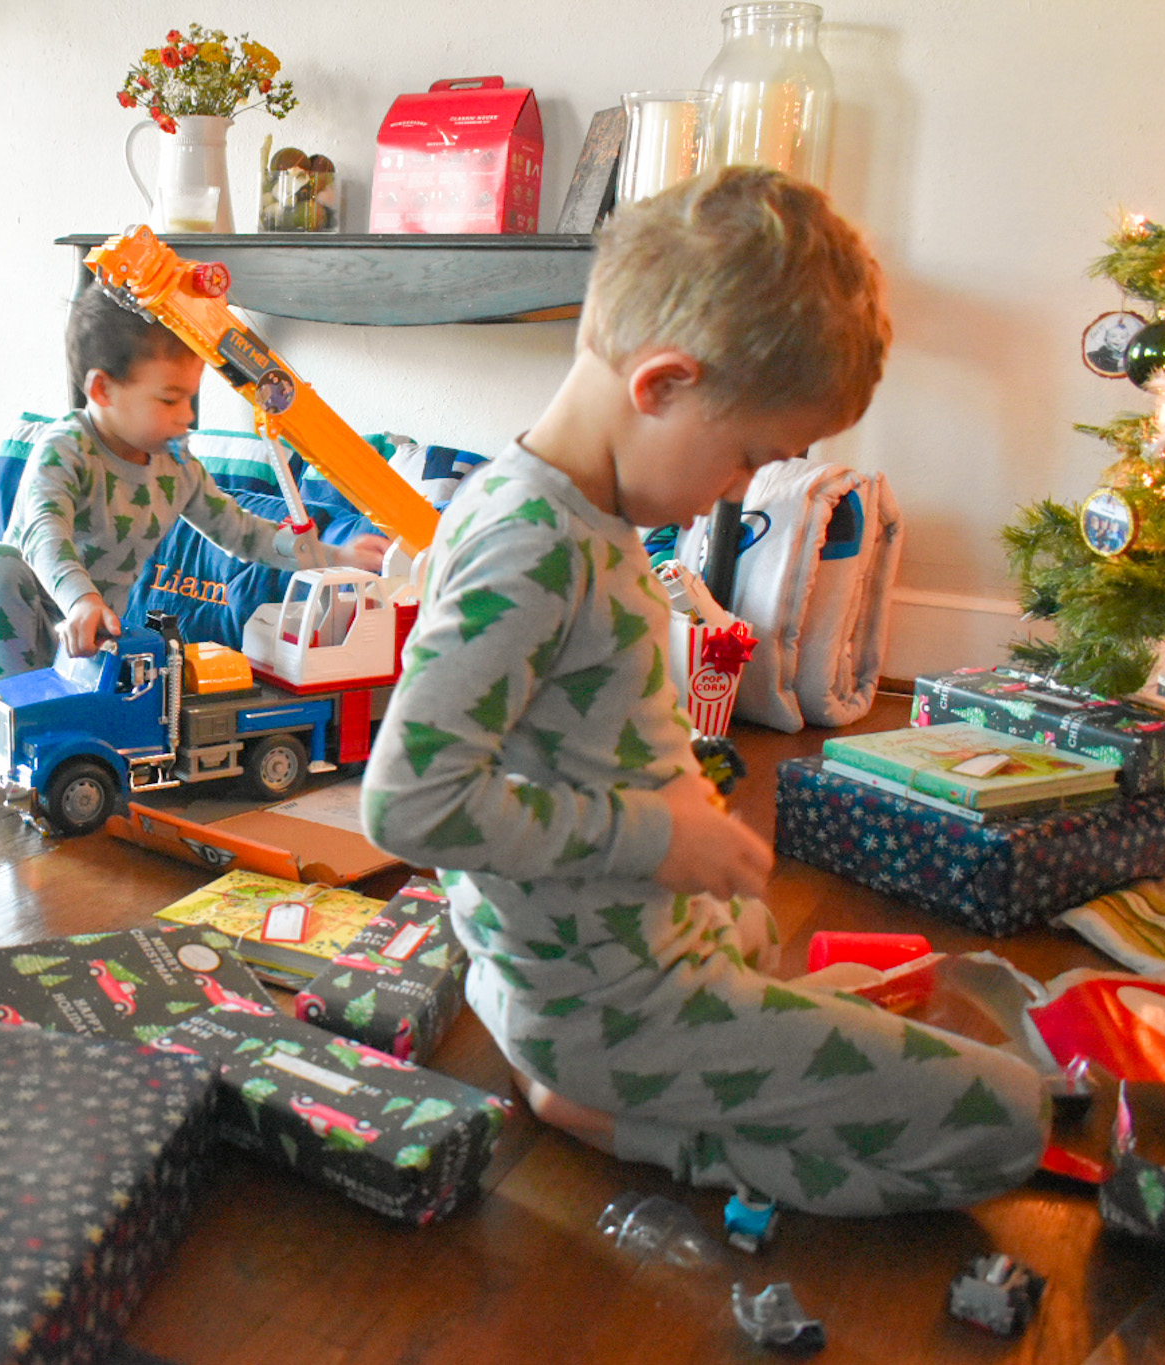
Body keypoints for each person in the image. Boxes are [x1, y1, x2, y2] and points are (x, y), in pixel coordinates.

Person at [361, 167, 1048, 1215]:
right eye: (744, 458)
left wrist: (675, 822)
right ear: (663, 384)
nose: (736, 490)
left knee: (755, 929)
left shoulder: (556, 503)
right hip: (607, 1008)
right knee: (1006, 1120)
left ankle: (577, 1055)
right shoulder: (527, 545)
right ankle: (617, 1119)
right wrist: (657, 836)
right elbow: (407, 803)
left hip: (579, 963)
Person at [0, 285, 388, 680]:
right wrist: (80, 601)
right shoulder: (65, 449)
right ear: (103, 391)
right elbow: (44, 535)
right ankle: (18, 708)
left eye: (190, 396)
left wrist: (330, 554)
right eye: (169, 399)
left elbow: (242, 532)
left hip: (96, 638)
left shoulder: (176, 464)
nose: (187, 416)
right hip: (15, 622)